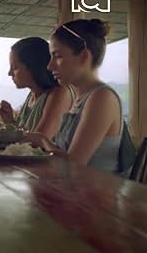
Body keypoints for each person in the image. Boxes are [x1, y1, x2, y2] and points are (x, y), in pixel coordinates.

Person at [25, 19, 124, 174]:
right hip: (72, 191)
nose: (50, 66)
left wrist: (43, 140)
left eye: (57, 56)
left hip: (95, 195)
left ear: (84, 56)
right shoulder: (80, 98)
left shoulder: (101, 98)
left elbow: (74, 166)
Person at [0, 37, 73, 139]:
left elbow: (38, 139)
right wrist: (10, 122)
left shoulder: (59, 94)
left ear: (34, 67)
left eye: (15, 67)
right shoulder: (32, 96)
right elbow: (21, 136)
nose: (9, 73)